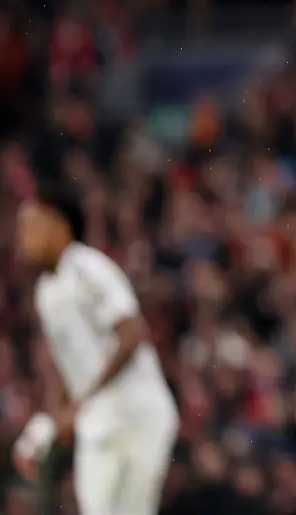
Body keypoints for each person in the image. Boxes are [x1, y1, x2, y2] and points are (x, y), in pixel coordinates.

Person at [12, 182, 179, 515]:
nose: (24, 238)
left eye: (32, 226)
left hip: (138, 413)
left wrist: (81, 403)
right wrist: (46, 423)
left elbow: (132, 333)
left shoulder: (87, 267)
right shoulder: (46, 290)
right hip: (101, 420)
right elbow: (62, 366)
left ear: (59, 225)